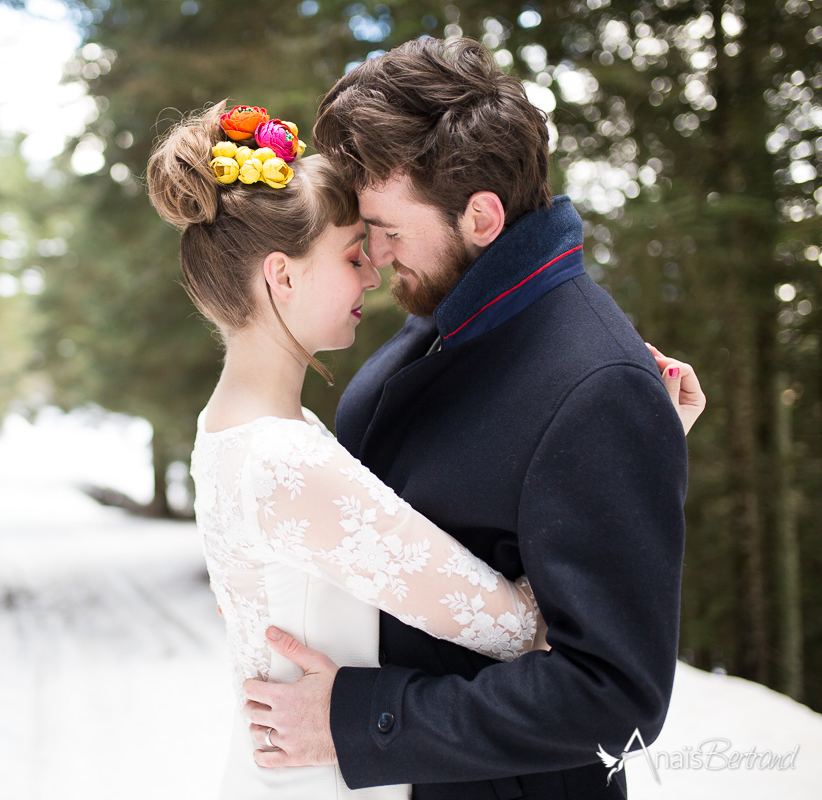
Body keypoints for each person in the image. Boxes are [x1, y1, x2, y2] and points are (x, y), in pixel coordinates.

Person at [145, 94, 703, 799]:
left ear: (480, 217)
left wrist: (639, 455)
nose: (376, 265)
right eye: (356, 248)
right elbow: (516, 623)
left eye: (384, 233)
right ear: (281, 275)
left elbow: (612, 685)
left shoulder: (236, 424)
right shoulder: (295, 445)